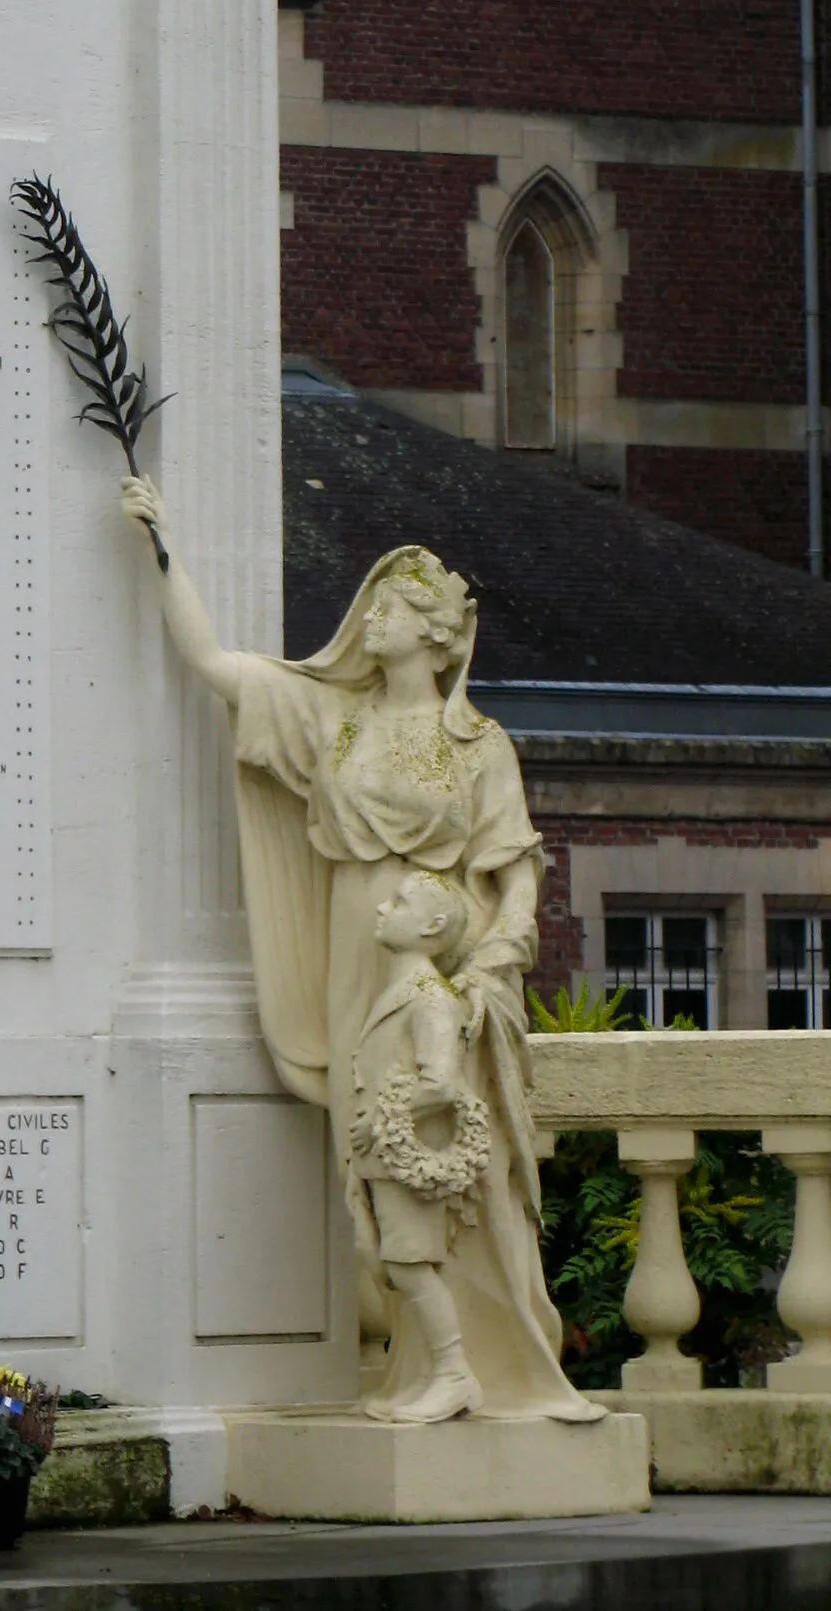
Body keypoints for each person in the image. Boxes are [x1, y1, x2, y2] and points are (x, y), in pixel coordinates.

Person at [120, 472, 601, 1424]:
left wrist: (490, 968)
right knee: (376, 1162)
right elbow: (216, 664)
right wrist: (162, 547)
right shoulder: (333, 722)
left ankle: (483, 1366)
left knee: (454, 1163)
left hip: (438, 971)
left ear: (433, 631)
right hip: (354, 955)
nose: (365, 619)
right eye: (370, 606)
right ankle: (427, 1364)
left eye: (386, 608)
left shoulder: (477, 746)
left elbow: (516, 875)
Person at [348, 867, 491, 1422]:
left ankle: (455, 1374)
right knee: (383, 1259)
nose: (384, 909)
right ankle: (439, 1373)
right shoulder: (404, 991)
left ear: (432, 926)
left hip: (405, 1157)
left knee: (409, 1265)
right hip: (381, 1157)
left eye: (400, 903)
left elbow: (443, 1083)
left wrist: (383, 1121)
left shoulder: (431, 997)